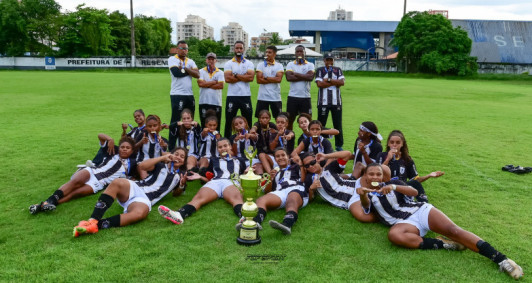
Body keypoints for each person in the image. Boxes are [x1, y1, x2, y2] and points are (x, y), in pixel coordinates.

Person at [354, 163, 523, 280]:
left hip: (419, 211)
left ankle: (502, 260)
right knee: (394, 236)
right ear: (366, 177)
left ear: (383, 176)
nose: (375, 176)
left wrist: (394, 187)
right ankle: (443, 244)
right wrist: (362, 194)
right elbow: (366, 207)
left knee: (454, 230)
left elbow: (413, 192)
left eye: (378, 174)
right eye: (371, 174)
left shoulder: (393, 183)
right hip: (404, 224)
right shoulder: (365, 193)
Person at [73, 148, 188, 237]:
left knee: (139, 214)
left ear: (184, 161)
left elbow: (175, 194)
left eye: (182, 156)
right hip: (136, 187)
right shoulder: (160, 165)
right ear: (171, 155)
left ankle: (96, 226)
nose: (178, 157)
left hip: (145, 200)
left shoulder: (180, 176)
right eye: (176, 154)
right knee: (117, 182)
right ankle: (92, 219)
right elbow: (142, 166)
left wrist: (182, 185)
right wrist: (162, 158)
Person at [29, 135, 138, 214]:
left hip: (99, 183)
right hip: (92, 171)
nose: (124, 149)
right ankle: (50, 200)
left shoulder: (132, 164)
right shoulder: (112, 150)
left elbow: (136, 175)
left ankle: (43, 205)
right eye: (122, 147)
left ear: (132, 151)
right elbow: (100, 136)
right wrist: (109, 139)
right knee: (75, 183)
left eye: (127, 148)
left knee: (75, 193)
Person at [158, 138, 246, 225]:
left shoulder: (239, 160)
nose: (223, 148)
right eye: (220, 147)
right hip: (215, 182)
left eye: (225, 146)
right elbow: (210, 177)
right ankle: (179, 215)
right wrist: (200, 177)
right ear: (217, 149)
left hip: (231, 182)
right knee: (198, 198)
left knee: (236, 199)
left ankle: (245, 217)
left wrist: (246, 173)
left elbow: (243, 176)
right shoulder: (214, 160)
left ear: (230, 146)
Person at [239, 148, 309, 235]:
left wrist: (300, 164)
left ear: (288, 157)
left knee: (292, 198)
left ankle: (287, 224)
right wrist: (270, 179)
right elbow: (267, 191)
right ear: (275, 159)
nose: (281, 158)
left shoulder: (296, 166)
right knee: (261, 200)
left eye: (283, 155)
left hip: (296, 189)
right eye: (277, 156)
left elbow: (302, 180)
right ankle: (256, 222)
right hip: (280, 192)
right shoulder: (275, 172)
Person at [376, 130, 444, 202]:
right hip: (386, 188)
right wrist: (388, 159)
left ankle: (425, 204)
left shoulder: (407, 159)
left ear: (402, 144)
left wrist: (429, 175)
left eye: (398, 142)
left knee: (415, 183)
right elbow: (377, 174)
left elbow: (415, 180)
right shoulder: (381, 156)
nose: (394, 145)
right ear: (388, 144)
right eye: (392, 142)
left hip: (401, 189)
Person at [168, 40, 199, 151]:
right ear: (177, 49)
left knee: (189, 122)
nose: (184, 50)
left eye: (185, 48)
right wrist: (190, 71)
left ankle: (190, 147)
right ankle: (171, 148)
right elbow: (176, 73)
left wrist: (185, 68)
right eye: (181, 48)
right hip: (177, 94)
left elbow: (197, 74)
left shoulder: (190, 61)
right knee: (176, 121)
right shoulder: (172, 59)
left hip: (189, 95)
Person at [223, 41, 255, 138]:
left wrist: (235, 75)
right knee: (229, 121)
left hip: (245, 96)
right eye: (237, 48)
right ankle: (227, 142)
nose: (239, 50)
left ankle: (248, 142)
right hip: (232, 96)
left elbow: (250, 78)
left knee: (248, 121)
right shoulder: (229, 63)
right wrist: (243, 76)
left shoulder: (249, 63)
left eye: (241, 48)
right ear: (234, 49)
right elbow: (228, 79)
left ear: (244, 49)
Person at [315, 53, 345, 151]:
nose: (329, 62)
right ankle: (320, 142)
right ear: (324, 60)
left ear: (333, 60)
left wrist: (328, 80)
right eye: (327, 60)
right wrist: (334, 82)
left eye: (331, 60)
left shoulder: (338, 70)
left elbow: (341, 83)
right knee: (321, 124)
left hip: (336, 102)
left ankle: (339, 145)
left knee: (338, 124)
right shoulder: (320, 70)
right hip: (323, 101)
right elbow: (319, 84)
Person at [285, 45, 315, 130]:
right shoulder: (290, 64)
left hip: (305, 97)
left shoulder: (310, 64)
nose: (299, 53)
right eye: (297, 51)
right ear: (295, 53)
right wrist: (304, 76)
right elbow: (289, 78)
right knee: (290, 120)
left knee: (307, 121)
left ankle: (308, 141)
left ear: (305, 53)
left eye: (301, 51)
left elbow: (310, 78)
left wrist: (296, 74)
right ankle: (289, 139)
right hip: (292, 97)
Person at [255, 45, 284, 119]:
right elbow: (258, 80)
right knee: (261, 119)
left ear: (274, 54)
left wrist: (265, 77)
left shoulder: (279, 66)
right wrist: (273, 78)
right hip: (263, 97)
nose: (267, 54)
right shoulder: (260, 65)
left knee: (279, 119)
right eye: (266, 52)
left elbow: (278, 80)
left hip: (275, 97)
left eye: (270, 52)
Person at [197, 52, 224, 130]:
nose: (211, 61)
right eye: (209, 59)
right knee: (204, 124)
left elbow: (221, 86)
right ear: (206, 60)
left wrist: (206, 83)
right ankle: (204, 141)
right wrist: (214, 82)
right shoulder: (201, 71)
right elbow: (200, 84)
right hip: (203, 102)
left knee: (216, 125)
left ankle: (216, 142)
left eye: (213, 59)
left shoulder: (220, 72)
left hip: (216, 102)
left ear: (216, 61)